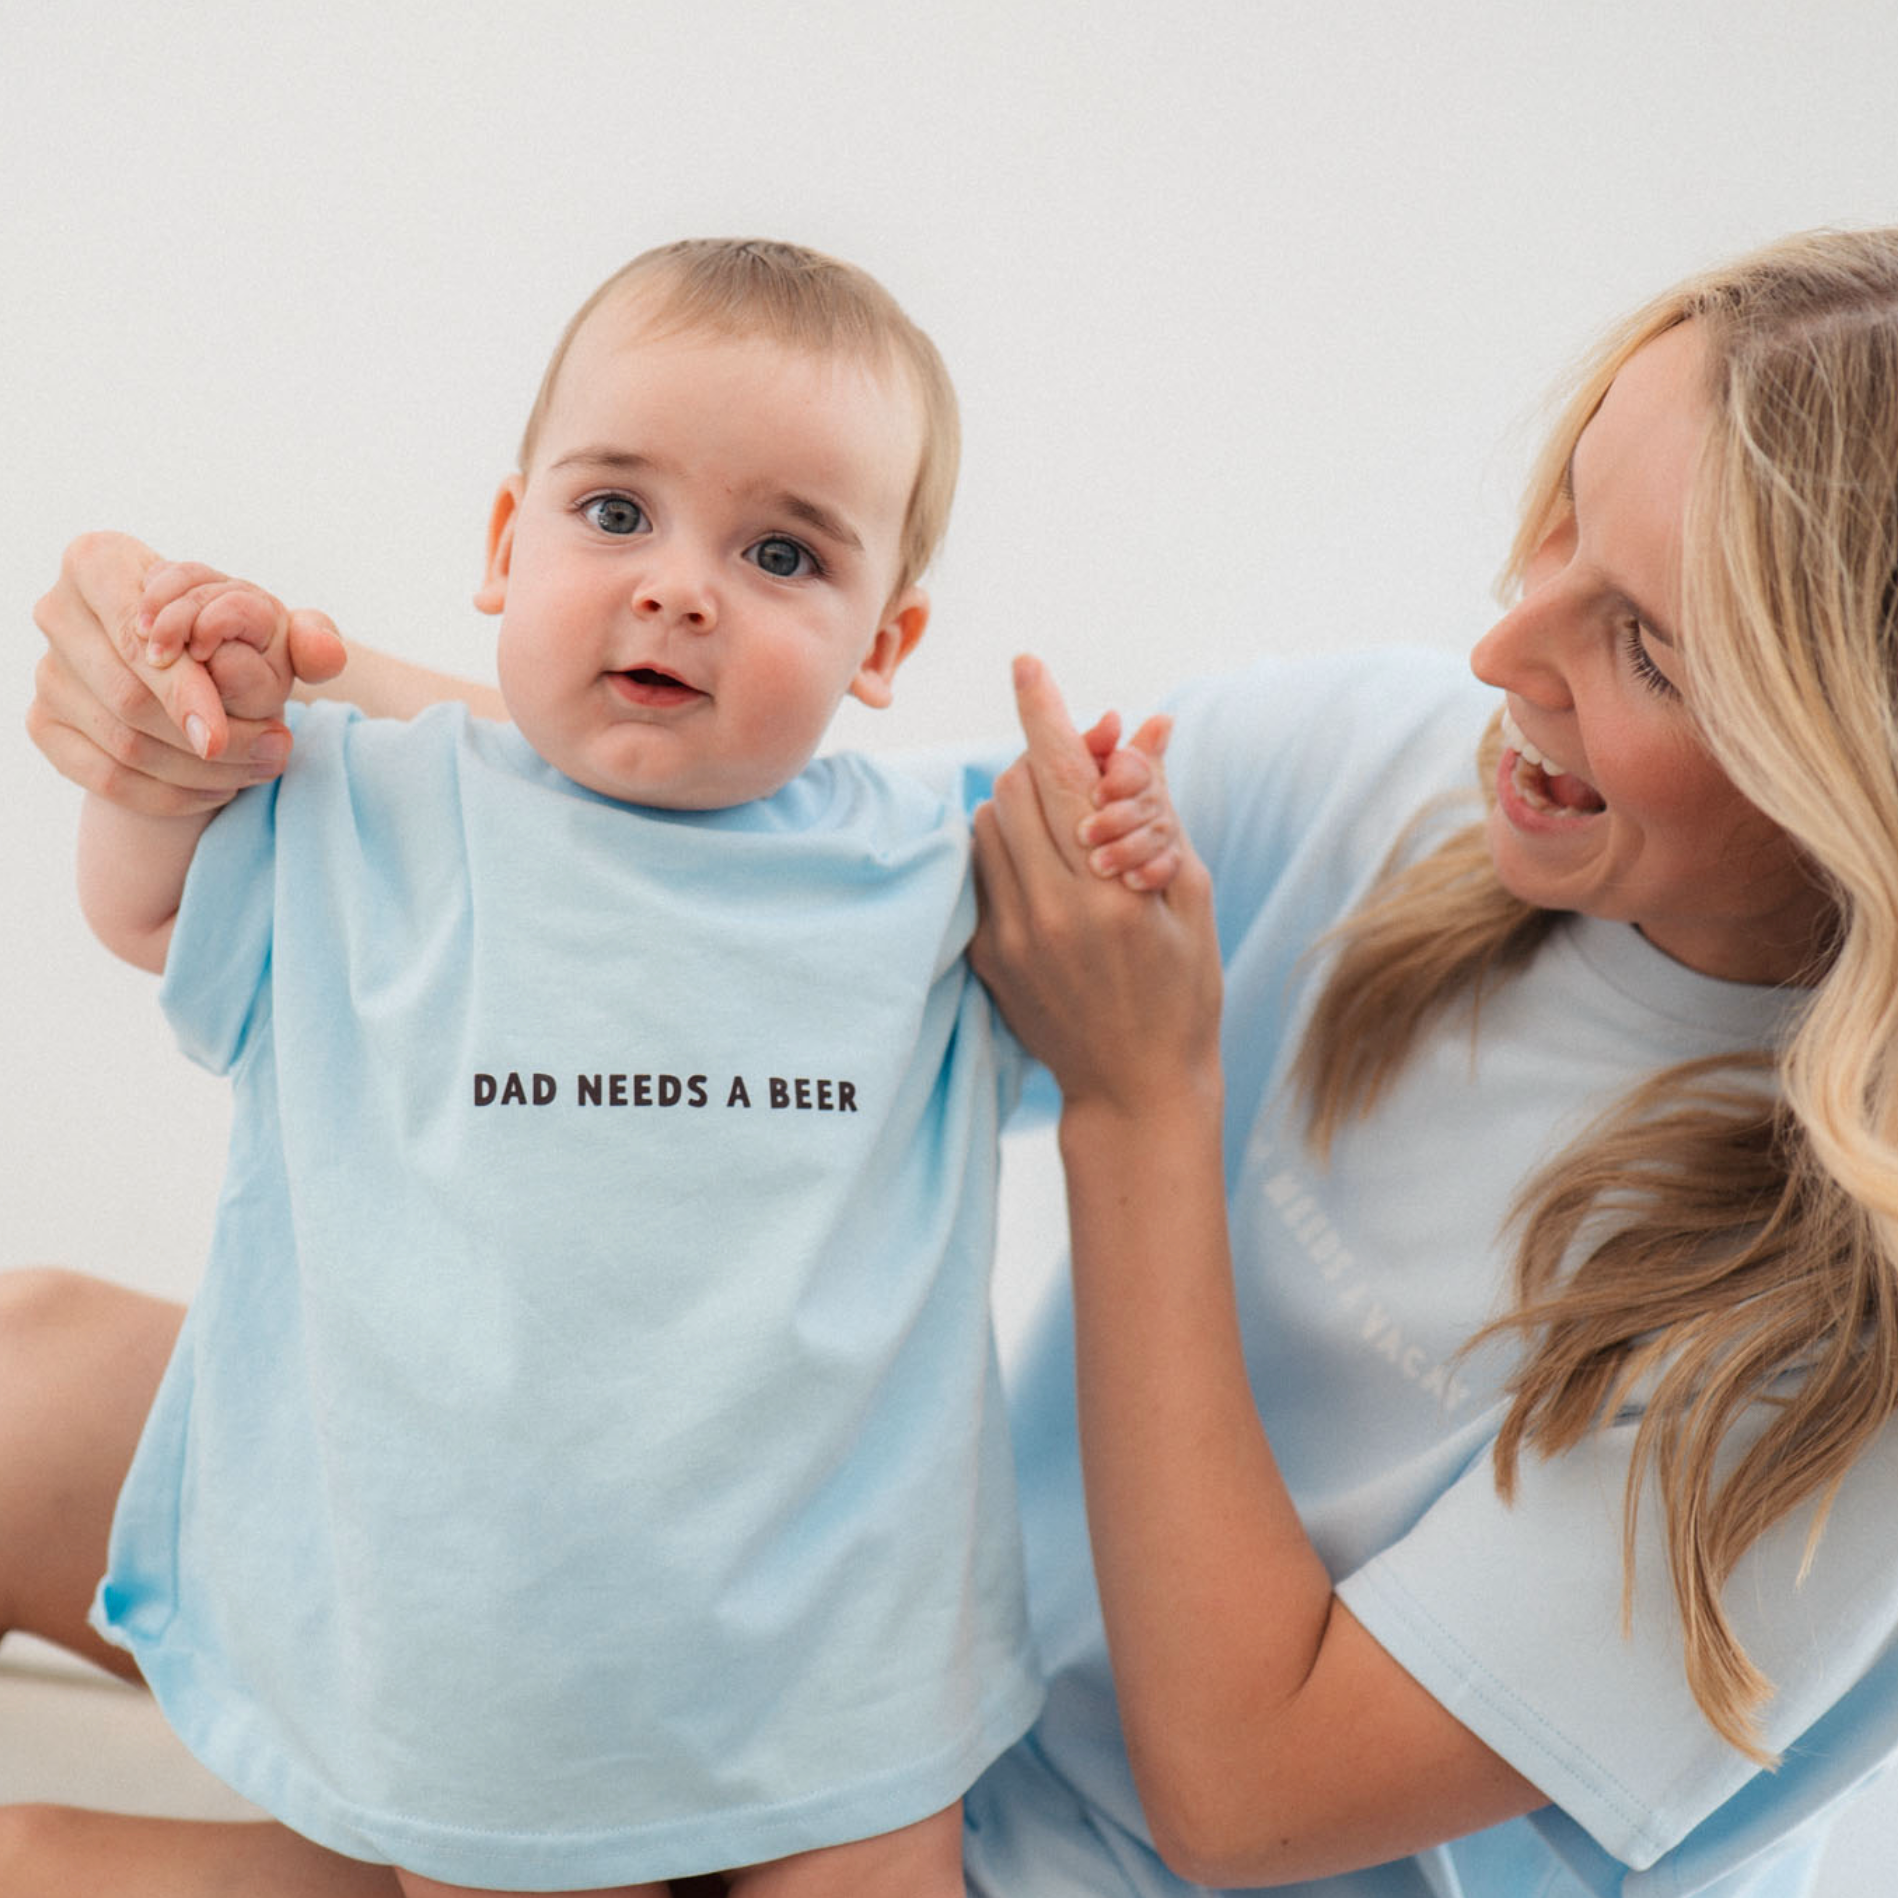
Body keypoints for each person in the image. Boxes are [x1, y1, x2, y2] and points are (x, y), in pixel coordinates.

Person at [17, 224, 1898, 1897]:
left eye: (1649, 645)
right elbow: (761, 871)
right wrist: (228, 696)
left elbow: (1242, 1809)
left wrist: (1133, 1097)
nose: (1504, 645)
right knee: (33, 1369)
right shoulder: (1402, 767)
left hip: (1013, 1824)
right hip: (833, 1636)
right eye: (1563, 516)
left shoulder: (1847, 1347)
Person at [19, 236, 1181, 1898]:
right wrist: (184, 740)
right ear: (507, 541)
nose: (679, 585)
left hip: (843, 1670)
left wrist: (1124, 840)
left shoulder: (932, 864)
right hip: (487, 1668)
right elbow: (139, 907)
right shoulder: (376, 805)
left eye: (782, 550)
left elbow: (1117, 965)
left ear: (882, 639)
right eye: (616, 512)